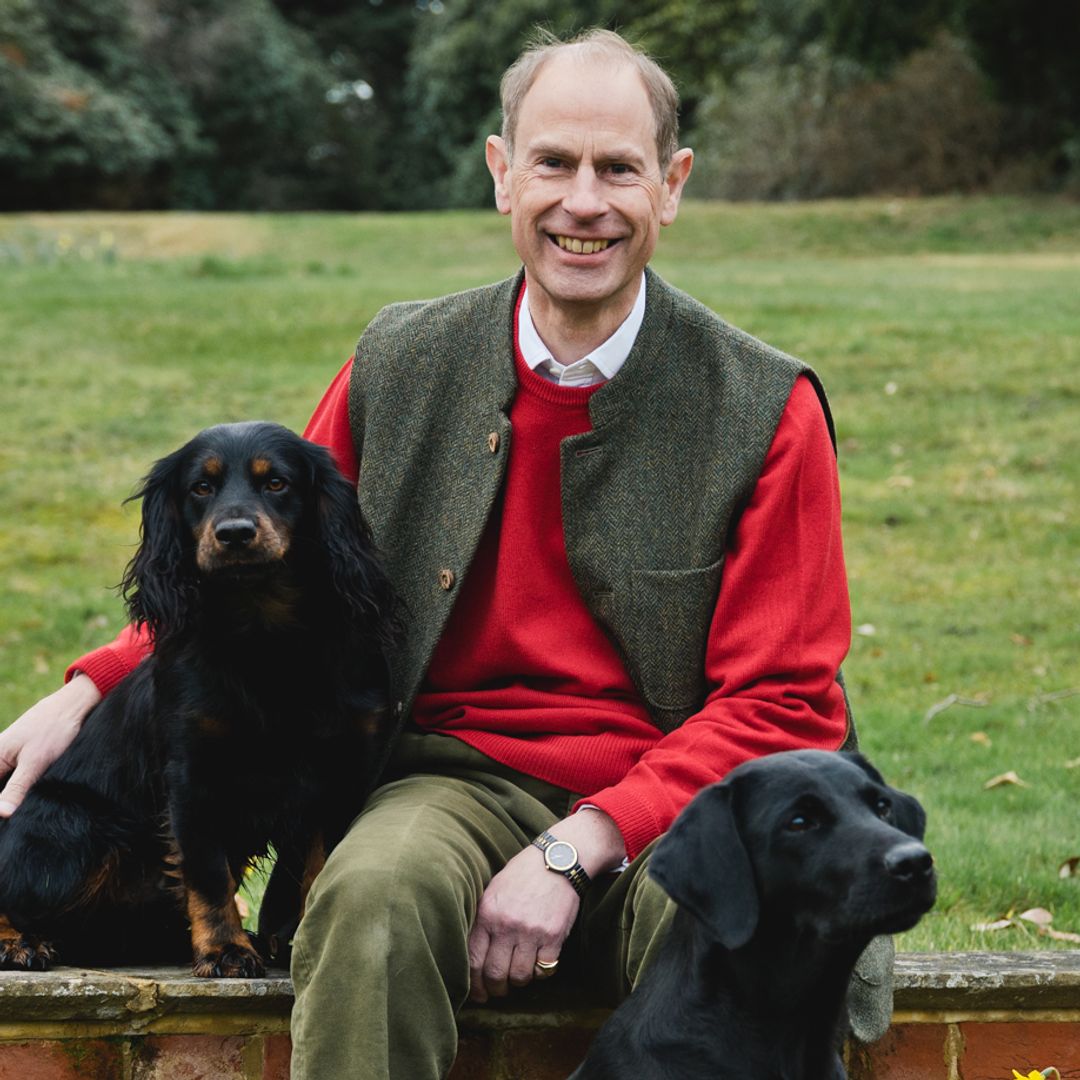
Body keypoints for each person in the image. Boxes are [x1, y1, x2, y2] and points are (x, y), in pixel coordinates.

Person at [0, 28, 887, 1080]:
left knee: (747, 933)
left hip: (680, 794)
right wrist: (91, 686)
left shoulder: (764, 407)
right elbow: (252, 558)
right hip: (445, 783)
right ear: (501, 172)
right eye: (553, 163)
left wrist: (577, 846)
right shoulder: (400, 359)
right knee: (366, 905)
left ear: (674, 184)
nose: (584, 203)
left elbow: (785, 701)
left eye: (619, 169)